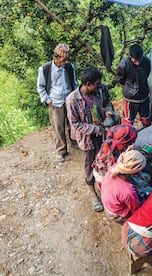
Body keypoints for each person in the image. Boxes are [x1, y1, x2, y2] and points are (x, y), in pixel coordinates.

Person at [65, 66, 105, 212]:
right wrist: (95, 129)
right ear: (88, 84)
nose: (99, 86)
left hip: (99, 133)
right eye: (96, 83)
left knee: (101, 158)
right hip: (86, 137)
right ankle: (93, 193)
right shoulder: (72, 100)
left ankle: (103, 185)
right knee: (89, 163)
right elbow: (75, 124)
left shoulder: (97, 92)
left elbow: (101, 107)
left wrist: (106, 113)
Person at [37, 43, 78, 162]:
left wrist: (75, 96)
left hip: (69, 99)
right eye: (63, 60)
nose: (65, 62)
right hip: (55, 102)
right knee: (58, 127)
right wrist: (48, 100)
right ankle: (61, 150)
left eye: (67, 60)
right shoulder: (45, 69)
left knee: (72, 123)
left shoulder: (69, 67)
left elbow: (74, 82)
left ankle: (74, 142)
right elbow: (40, 87)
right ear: (56, 57)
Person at [100, 150, 146, 225]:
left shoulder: (116, 167)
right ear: (134, 172)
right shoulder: (128, 191)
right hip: (117, 213)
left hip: (109, 204)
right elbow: (135, 209)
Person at [116, 44, 151, 127]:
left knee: (146, 121)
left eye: (140, 60)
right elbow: (120, 80)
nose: (138, 63)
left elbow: (147, 73)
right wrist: (128, 91)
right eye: (135, 61)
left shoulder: (146, 61)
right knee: (128, 123)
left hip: (144, 96)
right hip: (130, 99)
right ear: (130, 56)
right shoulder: (124, 64)